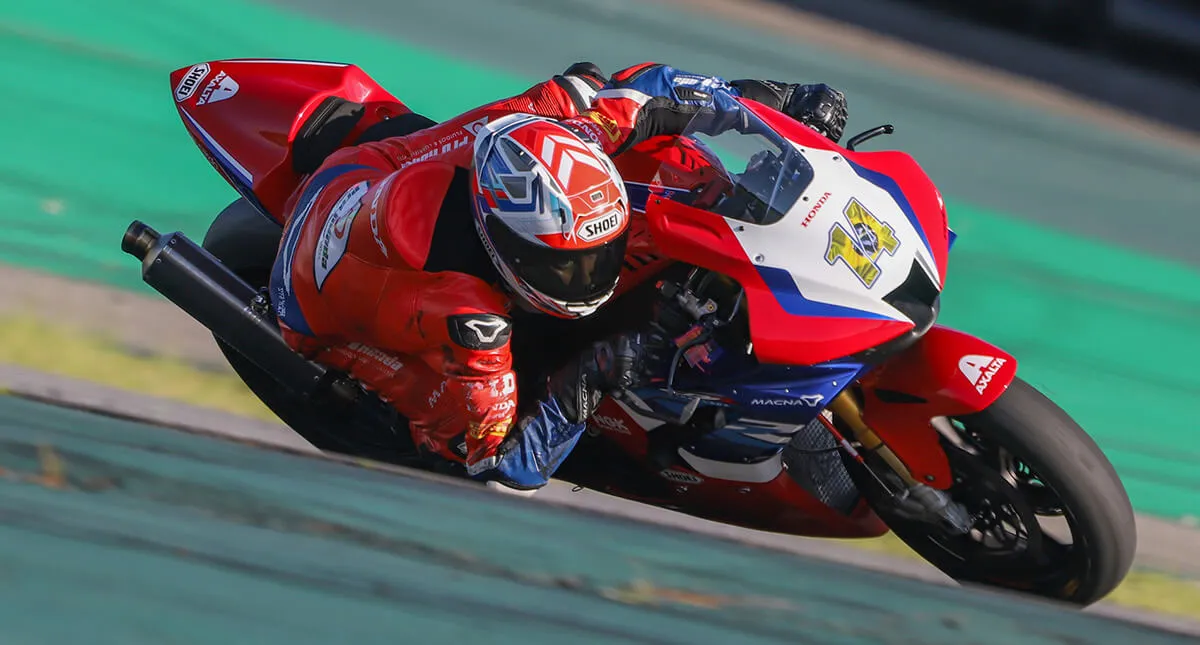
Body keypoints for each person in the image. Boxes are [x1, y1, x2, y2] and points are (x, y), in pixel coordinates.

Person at [268, 61, 849, 491]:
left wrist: (770, 105)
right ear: (506, 250)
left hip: (389, 166)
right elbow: (498, 464)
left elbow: (651, 90)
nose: (590, 274)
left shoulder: (566, 137)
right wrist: (588, 380)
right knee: (448, 436)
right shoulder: (472, 320)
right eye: (567, 265)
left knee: (579, 89)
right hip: (324, 297)